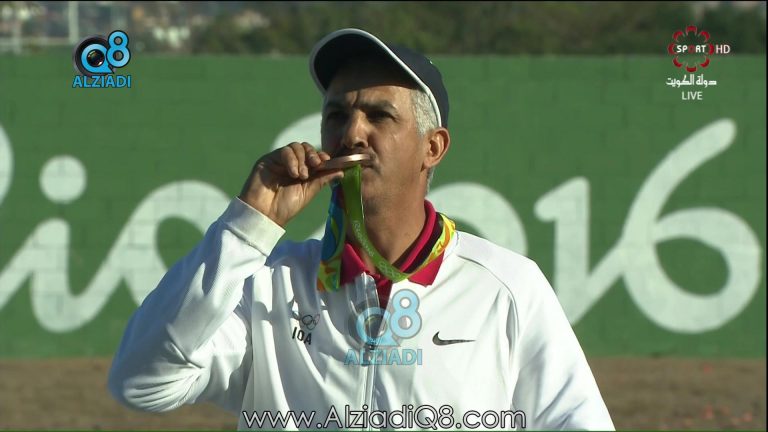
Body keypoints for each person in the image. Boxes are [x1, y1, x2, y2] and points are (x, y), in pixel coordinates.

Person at [108, 28, 614, 430]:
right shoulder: (267, 284)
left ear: (433, 148)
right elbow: (140, 382)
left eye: (379, 115)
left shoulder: (506, 287)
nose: (352, 133)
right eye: (337, 115)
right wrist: (247, 227)